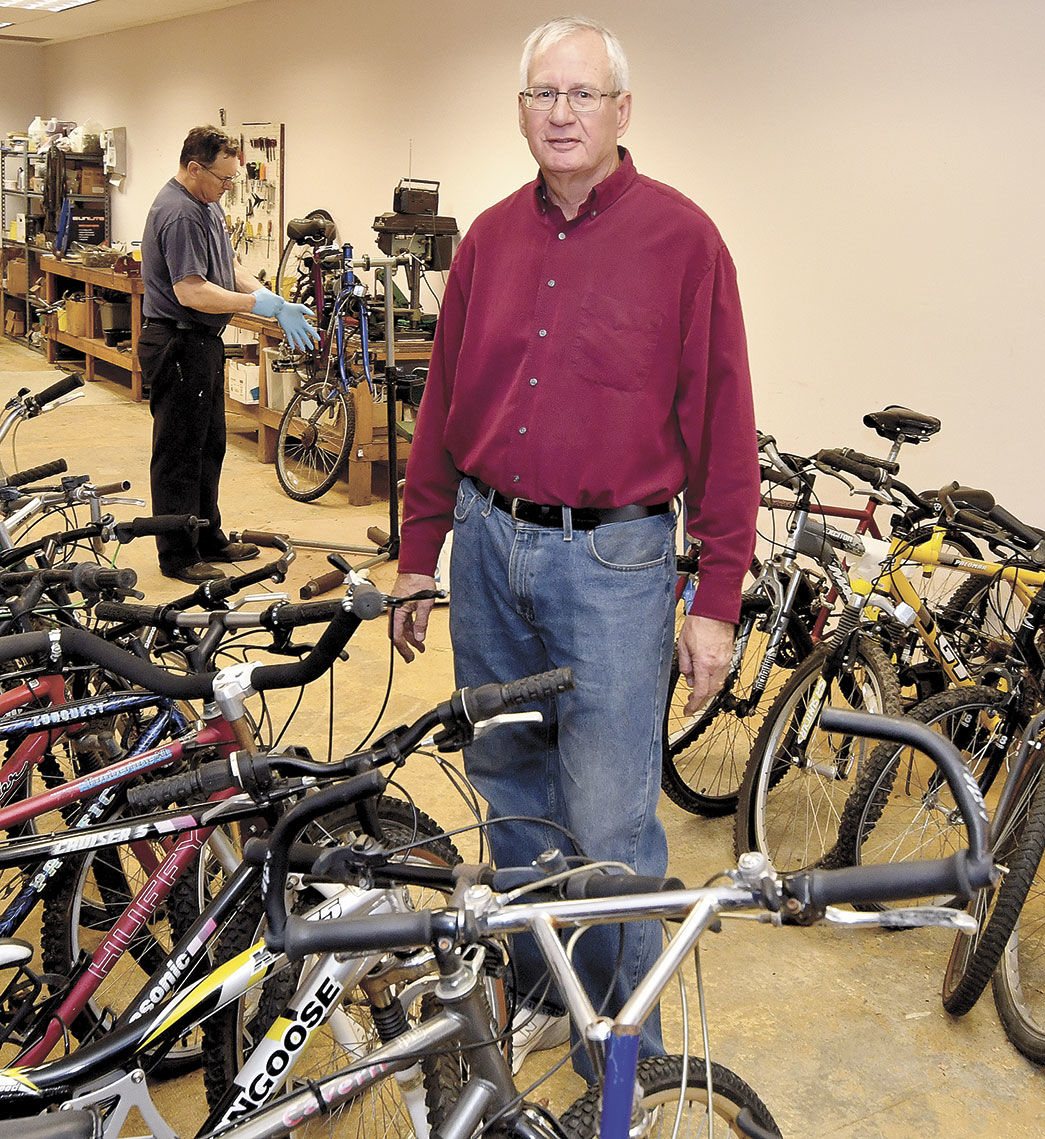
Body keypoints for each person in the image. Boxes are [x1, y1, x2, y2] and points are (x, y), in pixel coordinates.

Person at [390, 16, 760, 1077]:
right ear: (520, 111)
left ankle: (620, 1052)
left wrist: (717, 598)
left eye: (582, 95)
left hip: (614, 567)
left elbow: (723, 426)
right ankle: (549, 996)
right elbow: (441, 411)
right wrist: (422, 550)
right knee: (510, 793)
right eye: (543, 95)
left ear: (621, 112)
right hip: (488, 547)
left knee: (607, 818)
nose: (561, 113)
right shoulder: (488, 243)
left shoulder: (684, 241)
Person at [137, 125, 318, 585]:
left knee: (209, 444)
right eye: (222, 178)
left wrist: (271, 298)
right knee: (179, 452)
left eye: (233, 179)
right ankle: (177, 553)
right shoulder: (179, 213)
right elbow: (192, 290)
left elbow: (229, 268)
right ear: (194, 167)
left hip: (202, 343)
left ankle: (207, 535)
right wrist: (253, 305)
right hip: (177, 341)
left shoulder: (208, 205)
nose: (227, 187)